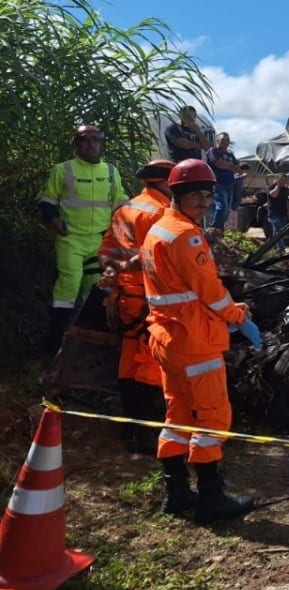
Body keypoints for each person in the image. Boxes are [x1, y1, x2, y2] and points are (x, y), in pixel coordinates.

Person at [140, 158, 261, 524]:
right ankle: (211, 499)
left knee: (177, 415)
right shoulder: (185, 236)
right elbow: (210, 292)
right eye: (197, 195)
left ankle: (177, 494)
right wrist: (239, 316)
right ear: (176, 193)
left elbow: (181, 292)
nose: (205, 202)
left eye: (209, 195)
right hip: (195, 342)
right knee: (212, 418)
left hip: (167, 339)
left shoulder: (159, 229)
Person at [97, 159, 176, 456]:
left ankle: (129, 426)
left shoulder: (125, 209)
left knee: (129, 361)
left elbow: (105, 251)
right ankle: (146, 434)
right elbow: (161, 261)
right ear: (166, 184)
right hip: (148, 300)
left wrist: (113, 272)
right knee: (150, 364)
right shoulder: (161, 213)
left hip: (124, 300)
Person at [37, 124, 130, 355]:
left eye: (96, 140)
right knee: (68, 285)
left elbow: (120, 201)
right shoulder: (63, 170)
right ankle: (55, 343)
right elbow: (47, 199)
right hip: (71, 239)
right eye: (85, 140)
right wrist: (53, 218)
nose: (91, 144)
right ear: (77, 144)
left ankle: (89, 344)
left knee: (97, 290)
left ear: (101, 143)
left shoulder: (111, 171)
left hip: (100, 240)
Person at [204, 132, 239, 231]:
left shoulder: (230, 155)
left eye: (227, 140)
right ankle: (215, 228)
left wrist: (231, 166)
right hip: (218, 183)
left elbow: (238, 168)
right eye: (223, 140)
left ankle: (219, 229)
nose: (225, 142)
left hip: (229, 184)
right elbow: (219, 164)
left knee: (227, 210)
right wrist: (231, 166)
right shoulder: (213, 151)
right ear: (217, 141)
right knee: (221, 207)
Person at [266, 174, 289, 250]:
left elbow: (287, 201)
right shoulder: (271, 187)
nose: (283, 182)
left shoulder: (285, 189)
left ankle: (273, 248)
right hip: (273, 214)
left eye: (284, 180)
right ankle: (281, 249)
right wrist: (277, 185)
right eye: (281, 180)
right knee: (278, 231)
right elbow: (274, 195)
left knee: (279, 232)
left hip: (283, 213)